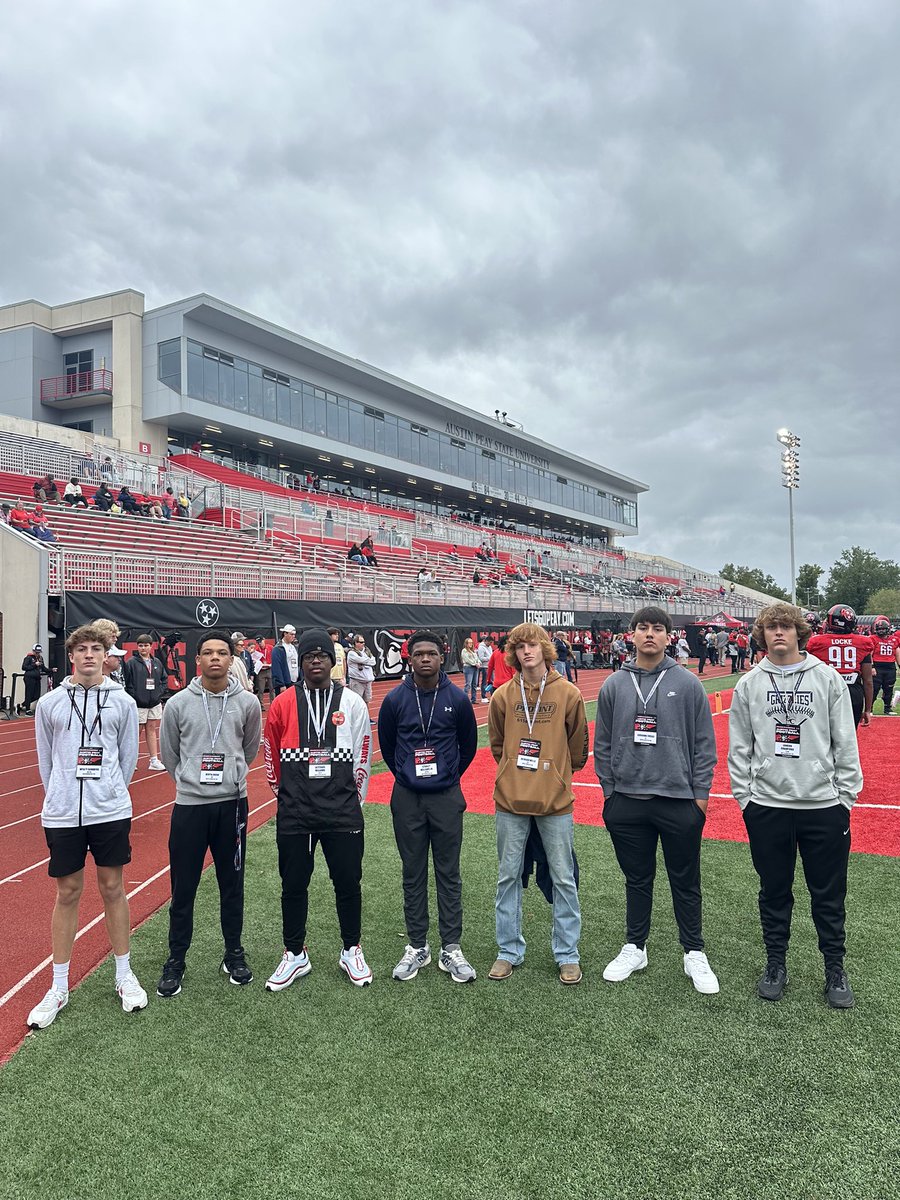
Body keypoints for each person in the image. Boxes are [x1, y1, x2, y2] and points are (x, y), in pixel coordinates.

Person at [728, 604, 862, 1008]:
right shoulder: (749, 684)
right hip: (767, 805)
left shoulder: (827, 679)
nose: (779, 633)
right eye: (771, 627)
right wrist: (746, 799)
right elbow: (739, 747)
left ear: (799, 631)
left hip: (823, 805)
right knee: (773, 890)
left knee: (829, 893)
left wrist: (844, 799)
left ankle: (835, 968)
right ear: (762, 634)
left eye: (786, 625)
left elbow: (845, 742)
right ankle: (775, 963)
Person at [26, 623, 147, 1029]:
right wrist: (60, 794)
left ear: (106, 654)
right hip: (62, 813)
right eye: (82, 649)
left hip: (109, 810)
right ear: (72, 656)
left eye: (97, 648)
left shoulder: (123, 703)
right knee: (67, 892)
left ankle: (124, 974)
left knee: (113, 887)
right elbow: (47, 761)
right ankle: (59, 985)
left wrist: (110, 790)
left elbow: (127, 758)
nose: (90, 655)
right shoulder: (51, 704)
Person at [595, 606, 719, 995]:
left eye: (658, 629)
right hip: (627, 801)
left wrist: (699, 798)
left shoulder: (688, 683)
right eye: (643, 628)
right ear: (631, 635)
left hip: (678, 800)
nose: (650, 634)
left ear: (669, 637)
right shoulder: (614, 684)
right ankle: (636, 946)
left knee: (686, 880)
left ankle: (693, 951)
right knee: (637, 879)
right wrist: (609, 792)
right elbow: (601, 743)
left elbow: (704, 744)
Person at [263, 629, 373, 990]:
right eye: (308, 654)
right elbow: (270, 752)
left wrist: (352, 797)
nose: (315, 660)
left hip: (342, 811)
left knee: (348, 882)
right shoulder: (282, 703)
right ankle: (295, 954)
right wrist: (285, 795)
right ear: (301, 661)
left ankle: (351, 949)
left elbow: (364, 751)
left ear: (332, 660)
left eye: (321, 655)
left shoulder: (353, 702)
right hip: (295, 812)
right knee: (293, 885)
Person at [156, 630, 262, 997]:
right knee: (183, 886)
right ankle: (176, 959)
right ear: (197, 660)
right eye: (207, 653)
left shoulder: (247, 703)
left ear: (232, 659)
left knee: (231, 884)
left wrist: (230, 776)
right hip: (189, 805)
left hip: (232, 805)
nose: (215, 658)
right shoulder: (178, 704)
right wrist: (189, 781)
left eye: (222, 653)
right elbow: (170, 755)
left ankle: (233, 951)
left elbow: (248, 749)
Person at [487, 623, 588, 985]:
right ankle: (508, 950)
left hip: (555, 799)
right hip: (510, 799)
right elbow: (497, 744)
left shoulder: (569, 693)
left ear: (546, 649)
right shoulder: (502, 695)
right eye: (520, 647)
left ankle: (567, 954)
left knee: (563, 878)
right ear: (513, 654)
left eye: (533, 645)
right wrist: (513, 769)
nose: (526, 652)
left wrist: (558, 773)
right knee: (508, 877)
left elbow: (578, 748)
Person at [378, 631, 478, 983]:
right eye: (418, 653)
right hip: (407, 798)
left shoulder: (457, 699)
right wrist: (408, 773)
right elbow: (388, 746)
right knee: (413, 873)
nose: (425, 659)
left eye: (431, 654)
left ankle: (451, 947)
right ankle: (417, 945)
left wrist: (447, 775)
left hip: (447, 797)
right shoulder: (394, 699)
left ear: (441, 657)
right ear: (409, 658)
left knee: (448, 873)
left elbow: (468, 745)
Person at [806, 605, 874, 727]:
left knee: (823, 735)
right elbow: (868, 681)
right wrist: (868, 709)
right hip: (852, 692)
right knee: (849, 736)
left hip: (824, 690)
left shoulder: (816, 642)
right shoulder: (863, 643)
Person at [123, 634, 167, 769]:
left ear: (151, 646)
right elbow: (128, 682)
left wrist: (158, 693)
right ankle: (132, 760)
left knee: (152, 729)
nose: (143, 648)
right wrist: (134, 696)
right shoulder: (131, 662)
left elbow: (164, 679)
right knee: (137, 731)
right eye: (141, 645)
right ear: (137, 647)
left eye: (146, 645)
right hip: (139, 703)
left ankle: (154, 760)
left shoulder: (157, 662)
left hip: (153, 702)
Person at [869, 617, 900, 714]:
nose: (881, 631)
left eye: (883, 629)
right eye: (879, 629)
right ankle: (870, 709)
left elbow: (897, 652)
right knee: (875, 688)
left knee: (889, 688)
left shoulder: (895, 639)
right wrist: (872, 667)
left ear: (888, 629)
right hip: (877, 666)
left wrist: (899, 666)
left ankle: (887, 708)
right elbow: (870, 653)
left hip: (890, 667)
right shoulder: (873, 639)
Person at [19, 644, 52, 715]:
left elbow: (44, 668)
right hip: (29, 677)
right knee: (29, 693)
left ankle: (23, 705)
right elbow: (24, 667)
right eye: (36, 652)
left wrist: (51, 670)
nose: (37, 653)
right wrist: (34, 665)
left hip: (37, 678)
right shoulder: (28, 658)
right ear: (33, 651)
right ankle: (27, 709)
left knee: (37, 695)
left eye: (39, 652)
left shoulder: (40, 658)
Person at [346, 635, 377, 707]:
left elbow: (373, 662)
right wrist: (367, 660)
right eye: (361, 642)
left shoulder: (367, 651)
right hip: (357, 682)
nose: (363, 643)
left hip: (368, 682)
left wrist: (366, 661)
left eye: (364, 642)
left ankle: (366, 717)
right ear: (356, 643)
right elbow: (365, 660)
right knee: (356, 703)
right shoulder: (351, 653)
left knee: (367, 702)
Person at [271, 623, 299, 695]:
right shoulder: (278, 648)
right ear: (285, 634)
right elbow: (276, 667)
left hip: (295, 681)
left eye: (294, 634)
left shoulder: (294, 647)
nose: (293, 636)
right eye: (291, 634)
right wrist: (281, 684)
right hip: (285, 683)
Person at [460, 637, 480, 704]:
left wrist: (479, 663)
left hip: (475, 668)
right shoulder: (464, 651)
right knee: (468, 684)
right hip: (469, 668)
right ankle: (464, 700)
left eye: (472, 642)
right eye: (469, 642)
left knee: (474, 685)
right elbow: (466, 659)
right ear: (466, 643)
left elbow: (477, 658)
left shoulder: (473, 651)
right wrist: (475, 664)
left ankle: (473, 699)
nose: (471, 644)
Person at [476, 635, 493, 701]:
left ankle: (492, 695)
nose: (490, 644)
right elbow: (481, 658)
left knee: (492, 682)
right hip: (484, 667)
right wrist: (490, 658)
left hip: (490, 666)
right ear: (486, 641)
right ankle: (483, 696)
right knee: (484, 682)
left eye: (491, 642)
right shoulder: (481, 647)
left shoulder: (490, 647)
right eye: (489, 642)